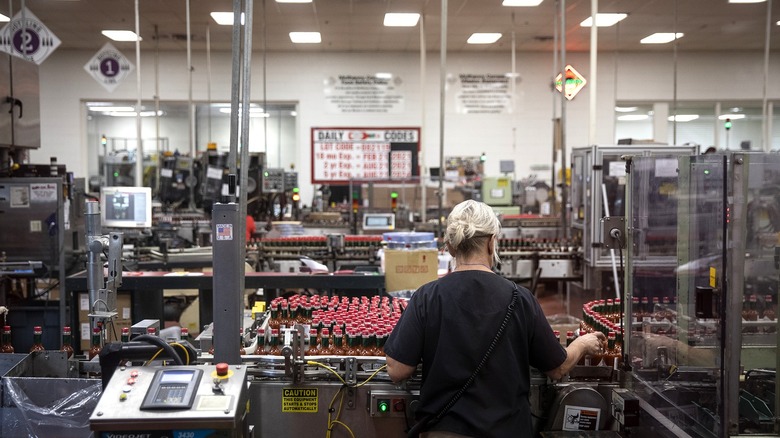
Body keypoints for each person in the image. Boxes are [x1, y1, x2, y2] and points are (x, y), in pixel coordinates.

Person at [384, 200, 605, 438]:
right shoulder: (520, 299)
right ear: (491, 242)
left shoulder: (427, 297)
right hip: (507, 430)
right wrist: (582, 343)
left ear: (449, 247)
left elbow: (397, 370)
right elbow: (557, 367)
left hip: (444, 430)